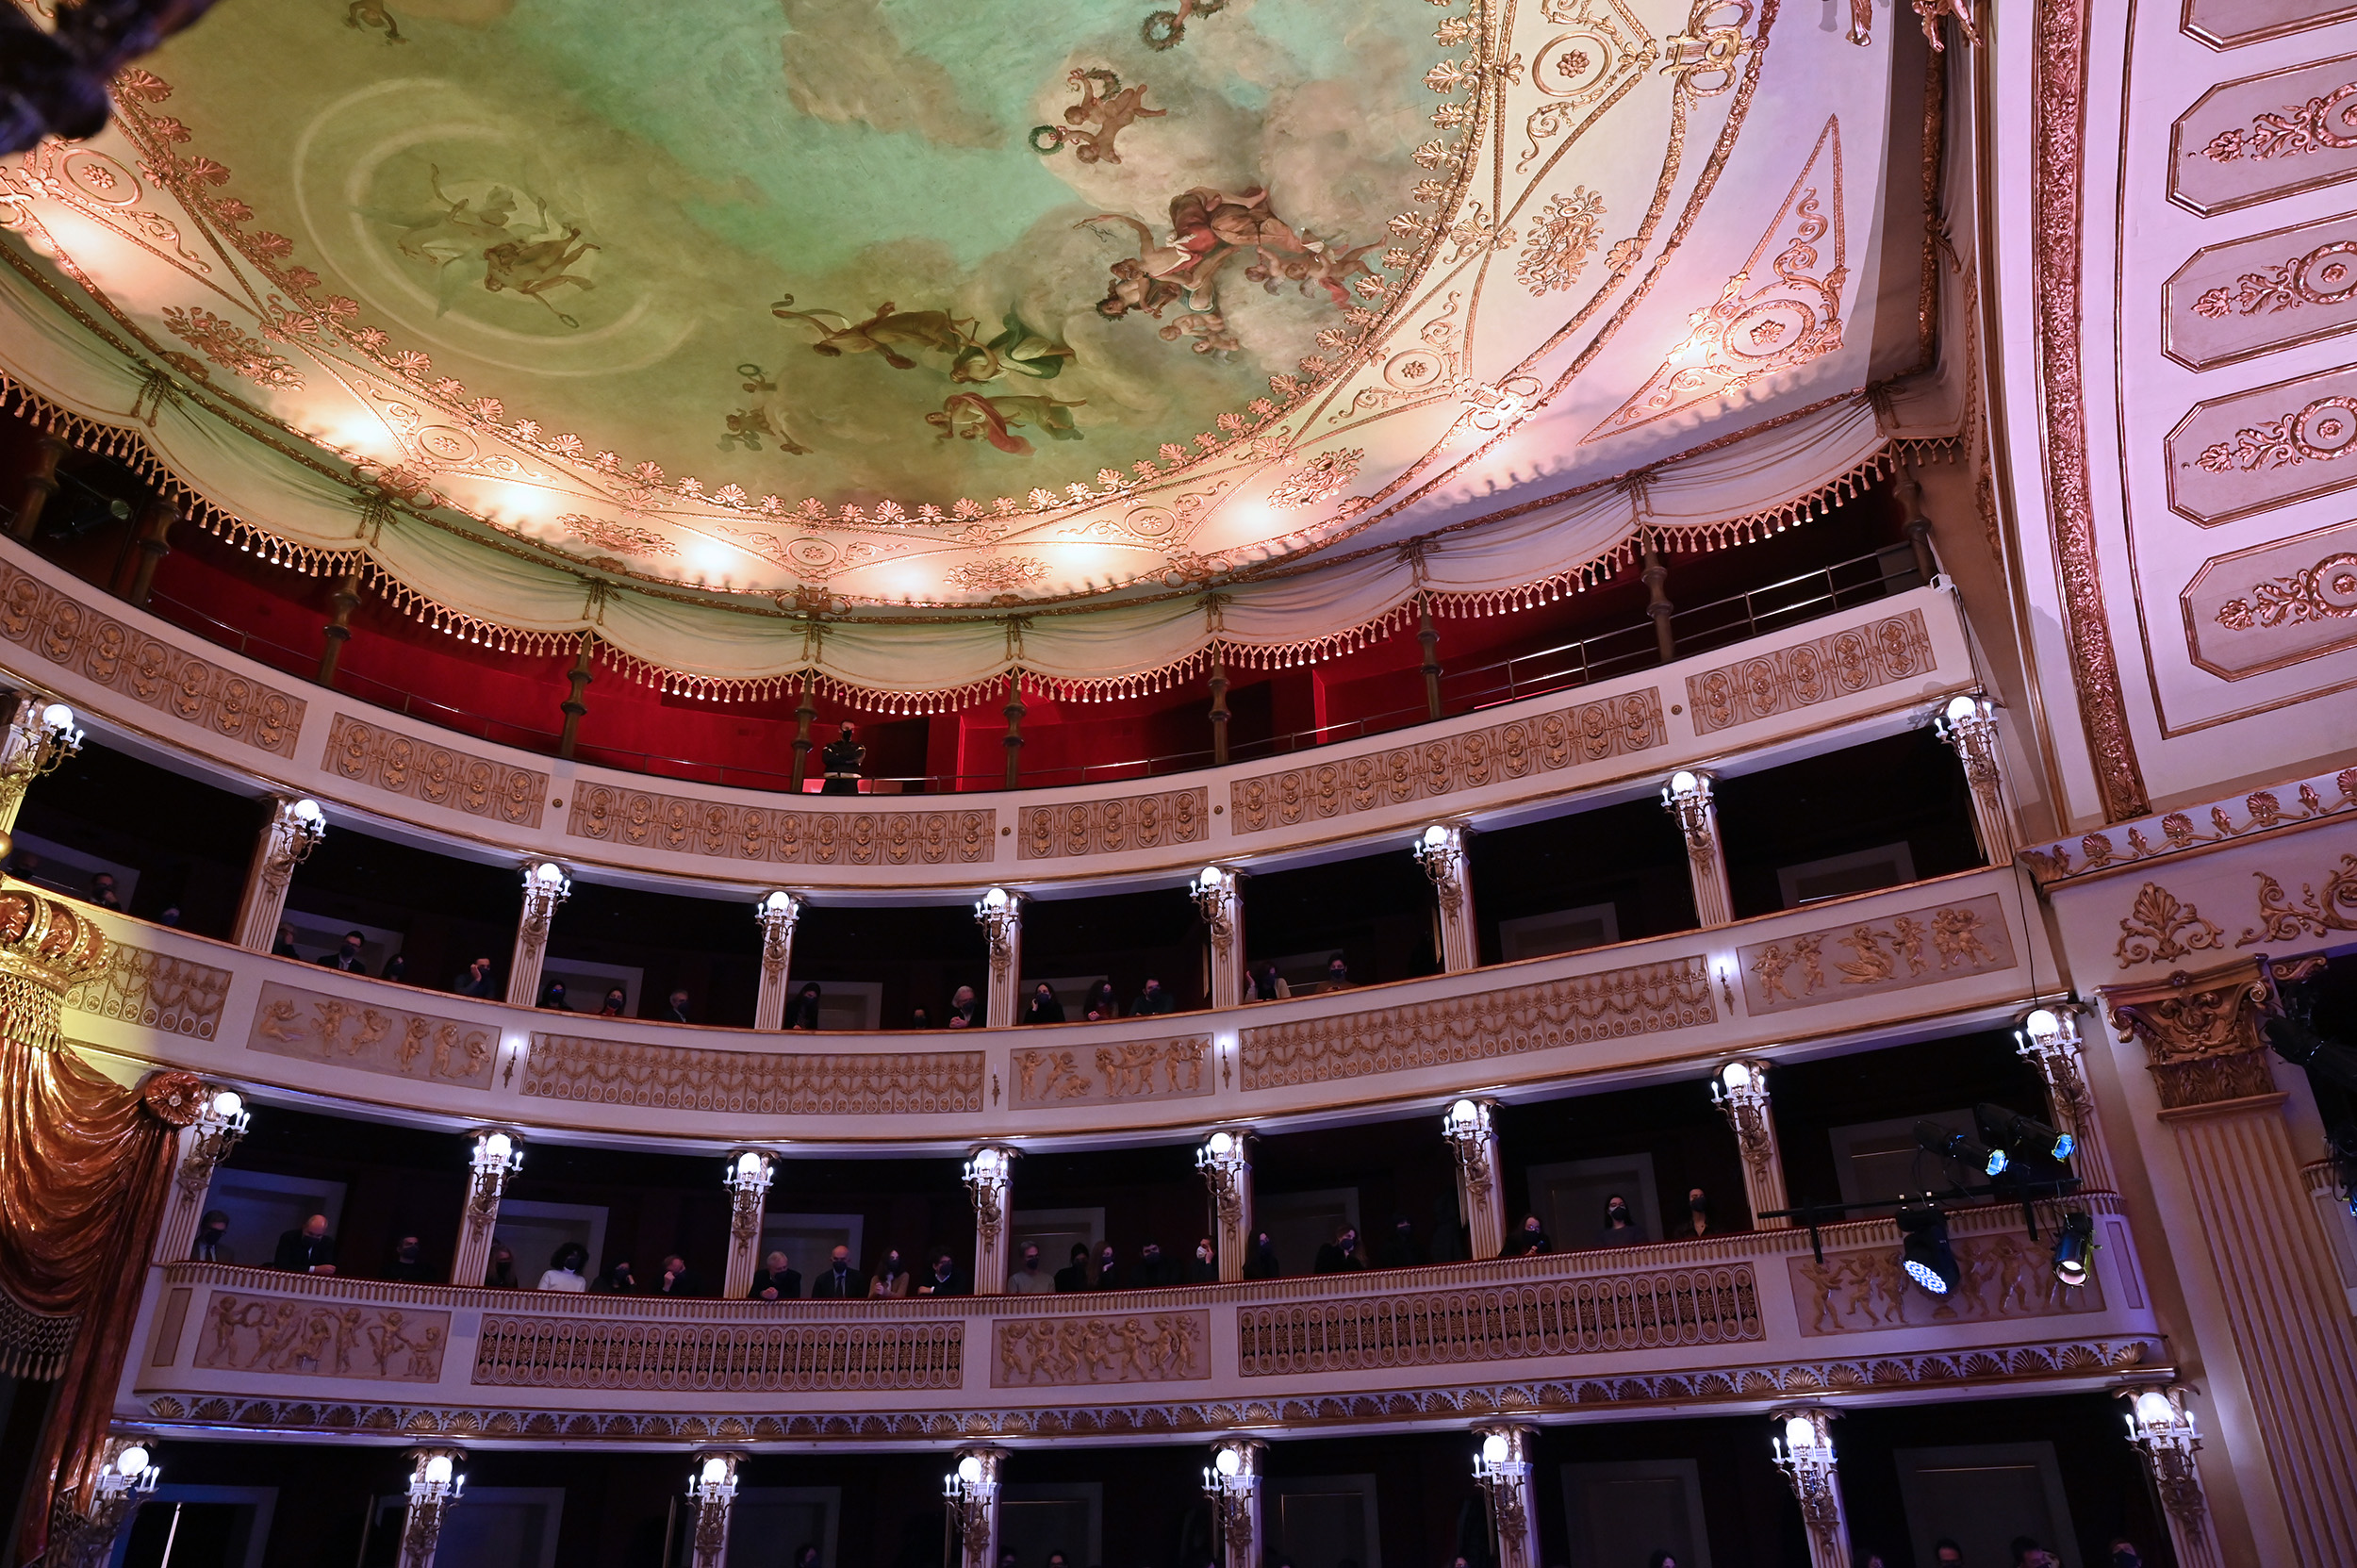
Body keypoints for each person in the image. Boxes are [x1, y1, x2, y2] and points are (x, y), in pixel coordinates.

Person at [272, 1213, 338, 1274]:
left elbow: (327, 1268)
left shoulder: (327, 1243)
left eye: (318, 1236)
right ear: (304, 1227)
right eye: (310, 1234)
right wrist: (314, 1269)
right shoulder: (289, 1237)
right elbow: (281, 1266)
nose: (313, 1237)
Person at [820, 721, 865, 795]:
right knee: (825, 803)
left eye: (852, 729)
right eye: (846, 728)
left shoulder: (859, 747)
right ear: (840, 730)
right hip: (831, 781)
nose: (849, 731)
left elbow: (857, 758)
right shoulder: (830, 746)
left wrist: (837, 755)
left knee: (849, 805)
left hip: (850, 782)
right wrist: (848, 758)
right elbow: (827, 759)